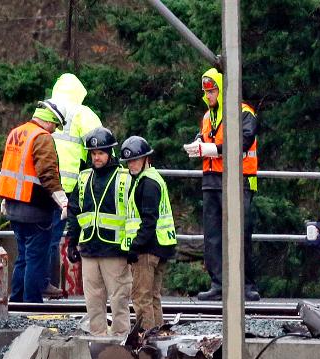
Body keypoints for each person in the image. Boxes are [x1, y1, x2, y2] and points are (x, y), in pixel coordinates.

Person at [184, 68, 260, 302]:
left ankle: (245, 285)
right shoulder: (208, 116)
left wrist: (214, 150)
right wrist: (197, 144)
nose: (208, 96)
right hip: (211, 180)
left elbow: (244, 140)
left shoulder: (243, 112)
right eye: (206, 92)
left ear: (222, 90)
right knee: (213, 236)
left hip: (238, 180)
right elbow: (204, 135)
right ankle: (218, 284)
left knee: (240, 234)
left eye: (212, 91)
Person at [65, 127, 137, 337]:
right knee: (93, 300)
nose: (96, 157)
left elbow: (134, 215)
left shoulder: (124, 178)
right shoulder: (84, 178)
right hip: (89, 248)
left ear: (110, 153)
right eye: (93, 153)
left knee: (119, 298)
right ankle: (98, 337)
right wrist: (72, 241)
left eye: (101, 153)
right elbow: (75, 211)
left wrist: (133, 246)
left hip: (115, 250)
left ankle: (120, 337)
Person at [0, 100, 69, 304]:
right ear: (50, 121)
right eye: (55, 125)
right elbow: (47, 174)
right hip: (35, 209)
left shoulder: (17, 133)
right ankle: (31, 306)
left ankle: (17, 303)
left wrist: (5, 199)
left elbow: (11, 169)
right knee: (36, 259)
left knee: (23, 258)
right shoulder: (42, 137)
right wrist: (62, 201)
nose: (54, 130)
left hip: (14, 207)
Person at [44, 73, 103, 298]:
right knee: (57, 236)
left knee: (44, 237)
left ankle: (43, 283)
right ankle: (47, 286)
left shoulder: (47, 110)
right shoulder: (82, 113)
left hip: (44, 185)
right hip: (69, 187)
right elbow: (101, 144)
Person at [121, 136, 176, 331]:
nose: (132, 165)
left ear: (146, 159)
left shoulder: (147, 183)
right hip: (159, 247)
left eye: (136, 159)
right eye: (129, 161)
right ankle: (159, 337)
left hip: (147, 250)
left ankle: (147, 341)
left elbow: (148, 220)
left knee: (141, 297)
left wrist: (135, 246)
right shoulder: (152, 179)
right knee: (153, 297)